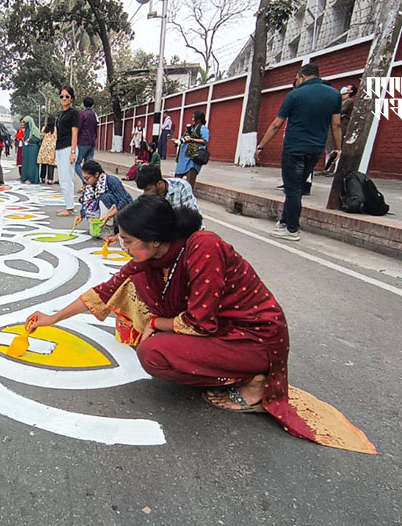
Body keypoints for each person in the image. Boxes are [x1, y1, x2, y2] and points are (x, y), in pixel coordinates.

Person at [26, 196, 374, 453]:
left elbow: (199, 321)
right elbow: (105, 291)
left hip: (254, 339)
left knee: (154, 352)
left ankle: (255, 383)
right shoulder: (153, 258)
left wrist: (159, 323)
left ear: (156, 241)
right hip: (220, 332)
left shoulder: (202, 248)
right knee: (135, 290)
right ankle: (227, 369)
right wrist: (52, 319)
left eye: (128, 240)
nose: (121, 244)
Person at [256, 62, 341, 242]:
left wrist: (261, 146)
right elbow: (336, 125)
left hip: (295, 148)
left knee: (292, 189)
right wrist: (338, 148)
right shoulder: (334, 95)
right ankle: (284, 222)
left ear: (302, 77)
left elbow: (276, 124)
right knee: (296, 187)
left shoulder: (295, 95)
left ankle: (292, 229)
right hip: (315, 149)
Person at [74, 160, 132, 237]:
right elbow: (85, 201)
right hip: (110, 212)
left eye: (87, 178)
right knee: (92, 202)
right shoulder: (89, 186)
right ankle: (100, 225)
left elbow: (124, 201)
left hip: (122, 212)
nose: (85, 181)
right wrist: (81, 215)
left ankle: (109, 227)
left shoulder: (111, 180)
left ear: (96, 174)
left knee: (105, 198)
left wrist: (108, 216)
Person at [134, 165, 201, 216]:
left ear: (159, 183)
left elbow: (193, 215)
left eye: (148, 189)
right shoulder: (148, 197)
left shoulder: (181, 186)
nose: (145, 193)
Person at [55, 85, 80, 216]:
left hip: (68, 148)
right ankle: (68, 205)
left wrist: (73, 152)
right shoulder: (60, 115)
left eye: (67, 96)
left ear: (72, 99)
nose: (64, 99)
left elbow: (74, 133)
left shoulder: (74, 113)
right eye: (62, 96)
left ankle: (70, 208)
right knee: (62, 178)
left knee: (67, 178)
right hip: (60, 148)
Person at [321, 84, 356, 176]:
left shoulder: (349, 102)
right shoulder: (339, 101)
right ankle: (327, 168)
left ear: (350, 91)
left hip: (340, 127)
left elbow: (338, 112)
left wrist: (336, 114)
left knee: (338, 148)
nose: (344, 88)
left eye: (348, 87)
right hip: (332, 127)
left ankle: (336, 170)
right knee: (329, 148)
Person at [174, 110, 210, 188]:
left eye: (194, 117)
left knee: (190, 178)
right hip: (183, 158)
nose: (192, 119)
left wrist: (191, 140)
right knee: (177, 177)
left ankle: (188, 194)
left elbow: (205, 141)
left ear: (199, 119)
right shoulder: (190, 128)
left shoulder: (203, 128)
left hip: (192, 158)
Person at [75, 97, 97, 177]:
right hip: (92, 142)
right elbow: (95, 129)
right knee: (88, 165)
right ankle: (90, 182)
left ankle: (85, 181)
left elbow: (79, 128)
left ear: (83, 104)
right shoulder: (94, 115)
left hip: (83, 142)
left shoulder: (82, 114)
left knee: (76, 163)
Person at [20, 115, 42, 184]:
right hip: (26, 148)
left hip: (33, 149)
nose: (23, 124)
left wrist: (30, 139)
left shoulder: (34, 129)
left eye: (25, 123)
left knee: (32, 164)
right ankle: (25, 177)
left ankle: (32, 178)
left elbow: (38, 138)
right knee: (25, 163)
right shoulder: (26, 130)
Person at [37, 115, 57, 184]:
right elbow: (56, 138)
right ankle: (50, 179)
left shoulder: (44, 128)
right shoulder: (55, 129)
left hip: (44, 147)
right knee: (51, 164)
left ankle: (42, 178)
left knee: (44, 163)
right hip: (52, 147)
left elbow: (41, 136)